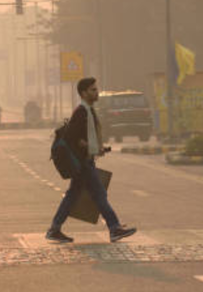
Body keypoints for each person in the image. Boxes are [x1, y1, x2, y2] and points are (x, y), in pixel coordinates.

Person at [46, 77, 138, 244]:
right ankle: (114, 228)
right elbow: (72, 137)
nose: (96, 92)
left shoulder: (88, 110)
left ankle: (54, 228)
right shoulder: (81, 111)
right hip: (82, 163)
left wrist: (97, 148)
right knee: (99, 194)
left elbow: (83, 136)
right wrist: (89, 147)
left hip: (86, 161)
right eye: (93, 90)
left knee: (74, 195)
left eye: (96, 89)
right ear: (83, 93)